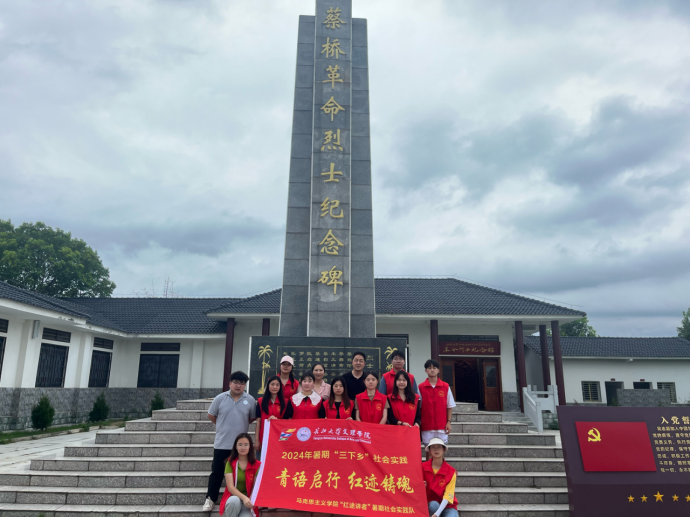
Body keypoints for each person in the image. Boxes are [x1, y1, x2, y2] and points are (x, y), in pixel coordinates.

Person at [202, 371, 256, 512]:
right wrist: (223, 425)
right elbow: (211, 415)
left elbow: (251, 418)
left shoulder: (250, 400)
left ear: (245, 385)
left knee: (241, 472)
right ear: (230, 383)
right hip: (222, 442)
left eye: (242, 383)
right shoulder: (220, 398)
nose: (238, 385)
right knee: (217, 472)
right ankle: (210, 499)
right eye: (236, 382)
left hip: (241, 445)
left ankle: (241, 497)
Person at [219, 433, 261, 517]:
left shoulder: (257, 464)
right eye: (240, 445)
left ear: (250, 447)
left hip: (248, 499)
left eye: (246, 445)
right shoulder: (230, 463)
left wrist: (250, 499)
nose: (243, 447)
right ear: (236, 446)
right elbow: (230, 487)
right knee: (234, 501)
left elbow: (255, 486)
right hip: (234, 496)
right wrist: (243, 498)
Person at [418, 360, 455, 450]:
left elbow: (449, 406)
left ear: (438, 370)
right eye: (429, 368)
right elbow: (419, 407)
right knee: (428, 450)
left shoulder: (445, 386)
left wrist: (448, 422)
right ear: (425, 371)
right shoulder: (421, 387)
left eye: (434, 368)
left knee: (441, 450)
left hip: (442, 426)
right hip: (426, 426)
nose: (432, 370)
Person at [254, 375, 293, 459]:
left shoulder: (286, 402)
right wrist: (256, 440)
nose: (275, 387)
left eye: (277, 385)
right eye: (272, 384)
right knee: (261, 462)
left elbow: (288, 422)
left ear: (280, 387)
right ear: (268, 386)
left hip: (279, 439)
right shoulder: (260, 401)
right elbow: (258, 422)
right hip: (263, 438)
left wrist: (277, 421)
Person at [423, 438, 459, 517]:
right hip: (432, 504)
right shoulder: (422, 467)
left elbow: (448, 496)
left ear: (443, 450)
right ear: (430, 451)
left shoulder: (451, 471)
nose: (436, 449)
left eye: (439, 447)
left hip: (448, 506)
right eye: (433, 447)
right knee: (433, 505)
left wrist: (437, 514)